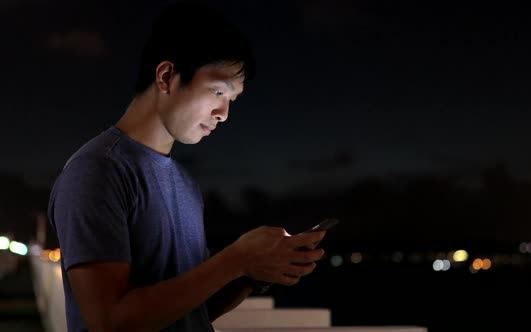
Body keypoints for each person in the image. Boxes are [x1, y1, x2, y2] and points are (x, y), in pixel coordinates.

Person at [47, 2, 327, 332]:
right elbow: (110, 322)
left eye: (231, 100)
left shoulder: (184, 184)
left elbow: (191, 309)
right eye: (218, 91)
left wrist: (252, 275)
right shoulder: (97, 171)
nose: (224, 113)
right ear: (167, 77)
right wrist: (234, 259)